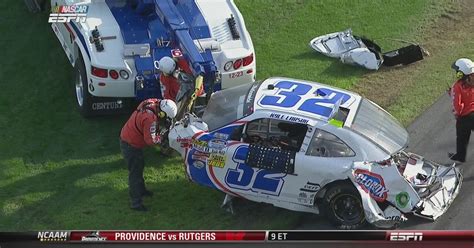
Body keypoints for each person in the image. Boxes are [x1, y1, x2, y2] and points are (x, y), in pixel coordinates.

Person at [120, 98, 178, 211]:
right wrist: (162, 137)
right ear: (161, 112)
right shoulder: (149, 119)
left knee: (139, 166)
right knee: (135, 173)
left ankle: (141, 190)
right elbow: (150, 141)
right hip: (130, 144)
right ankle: (136, 203)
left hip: (129, 137)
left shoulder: (152, 102)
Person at [448, 58, 474, 163]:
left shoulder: (457, 86)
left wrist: (457, 114)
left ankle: (460, 156)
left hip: (465, 118)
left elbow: (457, 106)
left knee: (462, 138)